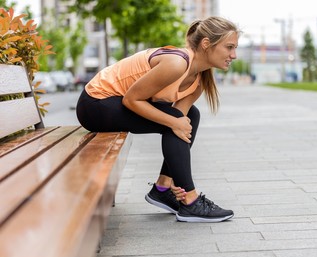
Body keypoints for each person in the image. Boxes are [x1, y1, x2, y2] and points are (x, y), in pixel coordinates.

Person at [76, 16, 240, 223]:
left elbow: (179, 124)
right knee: (175, 120)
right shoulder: (176, 63)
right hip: (95, 103)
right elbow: (131, 100)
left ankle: (163, 187)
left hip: (115, 103)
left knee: (190, 116)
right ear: (207, 44)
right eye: (229, 47)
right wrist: (174, 122)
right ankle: (190, 200)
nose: (234, 55)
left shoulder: (198, 83)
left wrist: (175, 123)